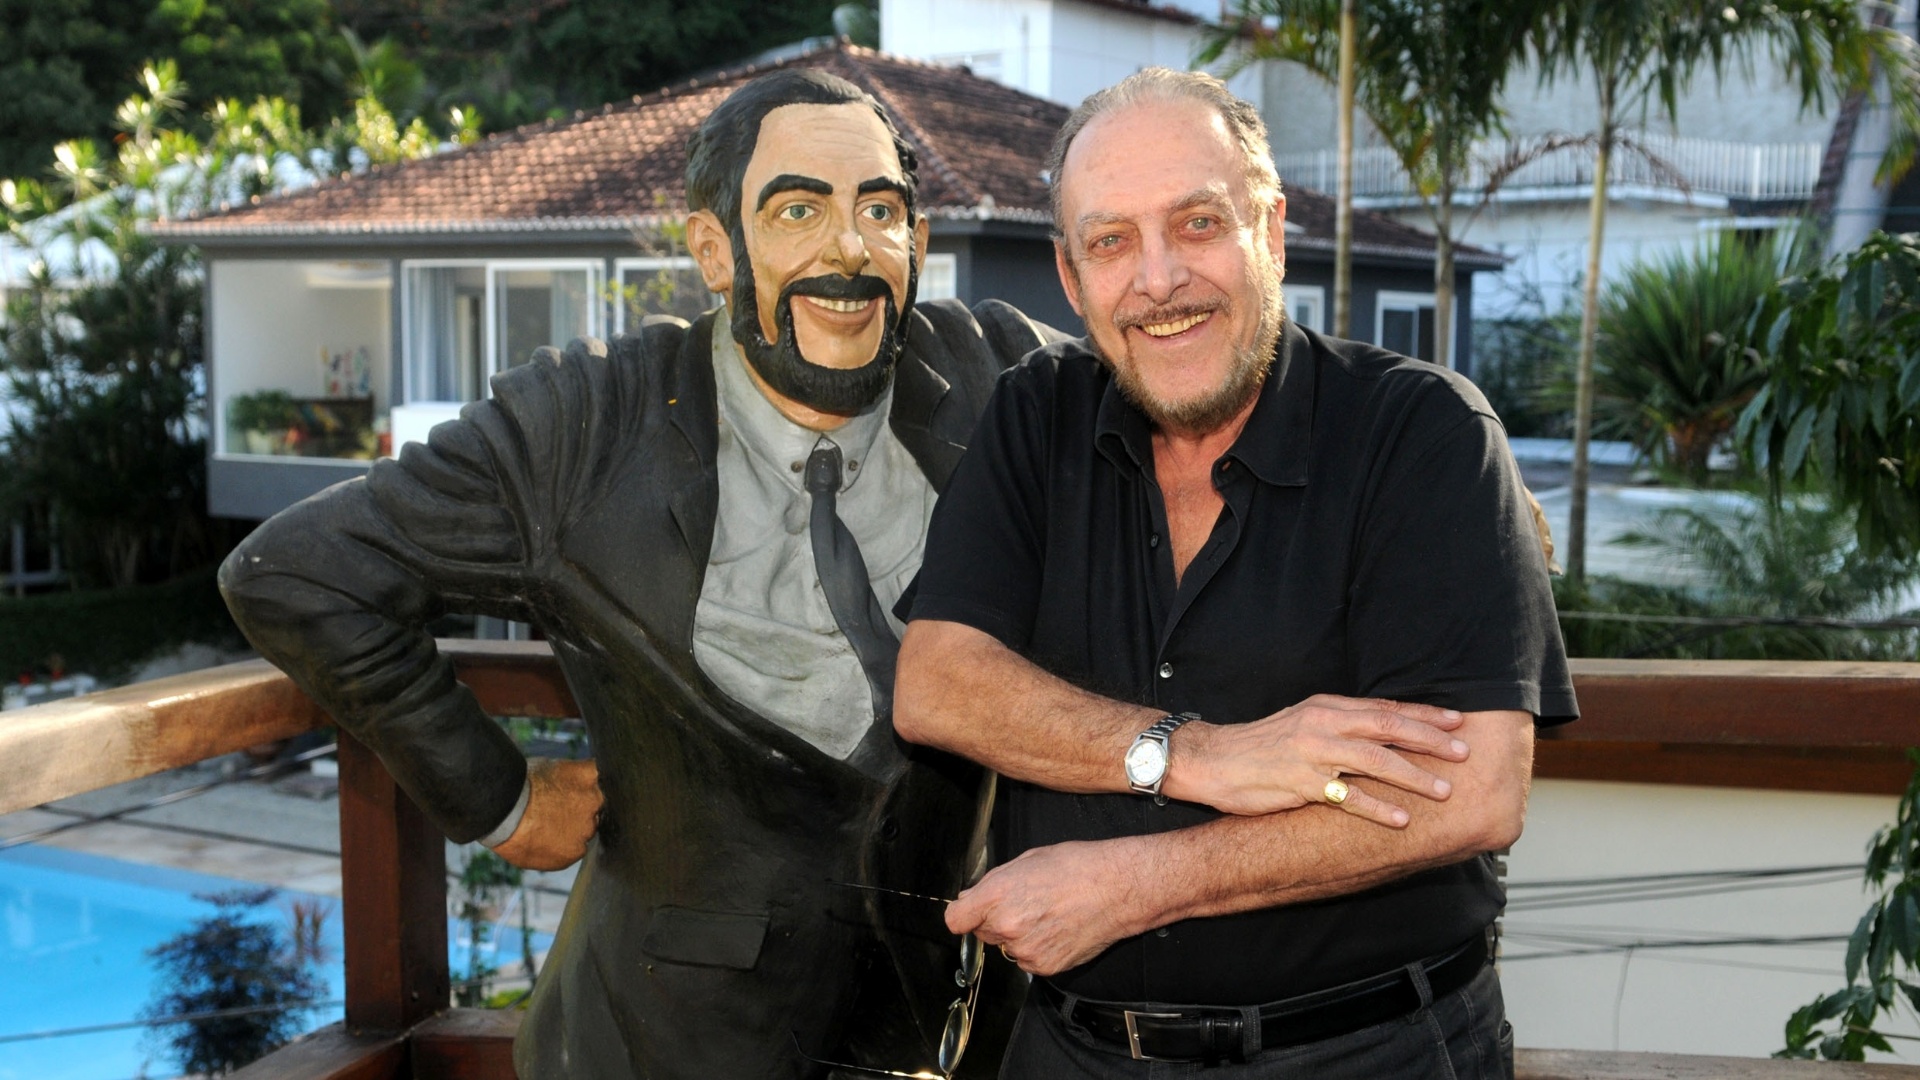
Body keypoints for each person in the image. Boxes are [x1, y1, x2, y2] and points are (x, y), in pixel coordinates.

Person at [220, 68, 1063, 1079]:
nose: (850, 249)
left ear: (919, 242)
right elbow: (296, 571)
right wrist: (500, 801)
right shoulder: (584, 428)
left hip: (946, 1033)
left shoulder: (1003, 384)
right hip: (653, 1042)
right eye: (797, 209)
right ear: (716, 248)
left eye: (880, 211)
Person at [893, 67, 1579, 1078]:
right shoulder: (1035, 414)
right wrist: (1195, 755)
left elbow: (1472, 793)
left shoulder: (1421, 431)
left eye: (1199, 223)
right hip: (1071, 1052)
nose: (1159, 277)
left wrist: (1131, 885)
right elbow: (937, 683)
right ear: (1073, 279)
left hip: (1365, 1053)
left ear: (1271, 227)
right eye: (1111, 241)